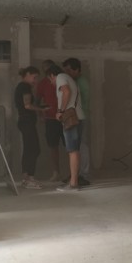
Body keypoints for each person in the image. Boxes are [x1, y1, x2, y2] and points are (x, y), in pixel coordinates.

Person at [47, 64, 84, 192]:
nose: (51, 82)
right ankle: (74, 181)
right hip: (78, 117)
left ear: (52, 75)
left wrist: (60, 111)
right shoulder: (69, 78)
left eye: (50, 79)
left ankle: (73, 184)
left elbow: (66, 92)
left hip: (71, 119)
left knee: (72, 150)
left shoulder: (61, 77)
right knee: (75, 150)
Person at [14, 66, 44, 189]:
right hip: (26, 121)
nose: (35, 80)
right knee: (34, 149)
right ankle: (29, 178)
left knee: (29, 149)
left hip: (25, 121)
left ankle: (26, 178)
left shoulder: (22, 86)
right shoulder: (25, 87)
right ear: (27, 74)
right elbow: (27, 105)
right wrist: (42, 109)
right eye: (34, 77)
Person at [62, 58, 90, 186]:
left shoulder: (81, 82)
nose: (67, 73)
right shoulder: (74, 81)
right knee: (76, 147)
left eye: (69, 70)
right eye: (65, 70)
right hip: (77, 116)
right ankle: (76, 174)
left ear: (77, 69)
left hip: (80, 117)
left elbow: (79, 102)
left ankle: (83, 174)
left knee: (81, 146)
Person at [36, 60, 64, 182]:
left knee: (70, 146)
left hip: (64, 118)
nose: (46, 70)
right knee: (53, 146)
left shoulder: (64, 81)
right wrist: (40, 114)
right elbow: (37, 100)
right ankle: (56, 172)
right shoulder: (43, 83)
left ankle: (73, 173)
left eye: (48, 68)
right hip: (51, 119)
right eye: (44, 68)